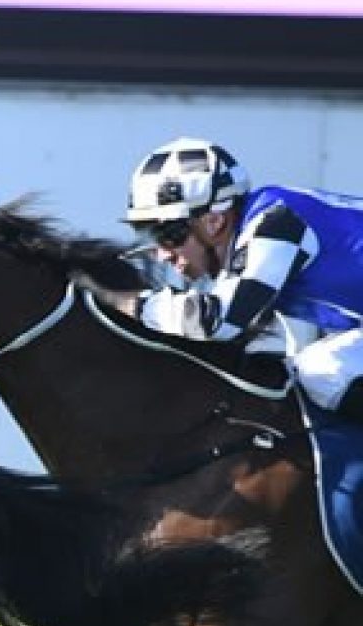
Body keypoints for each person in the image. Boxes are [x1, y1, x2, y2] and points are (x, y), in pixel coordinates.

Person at [122, 136, 363, 420]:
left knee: (324, 371)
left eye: (169, 235)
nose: (163, 254)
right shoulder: (263, 226)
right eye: (152, 237)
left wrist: (129, 304)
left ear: (215, 221)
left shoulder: (277, 224)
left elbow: (218, 320)